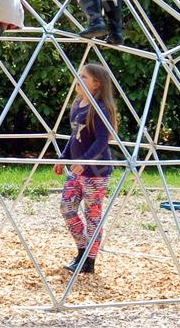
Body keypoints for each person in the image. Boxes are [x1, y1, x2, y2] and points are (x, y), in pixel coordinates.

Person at [53, 63, 117, 274]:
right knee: (67, 208)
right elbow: (75, 136)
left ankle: (89, 260)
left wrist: (85, 161)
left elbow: (101, 141)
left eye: (84, 77)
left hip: (95, 173)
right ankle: (82, 249)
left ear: (96, 84)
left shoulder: (100, 108)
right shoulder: (78, 104)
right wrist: (64, 158)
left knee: (92, 215)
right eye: (78, 75)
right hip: (76, 170)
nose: (78, 79)